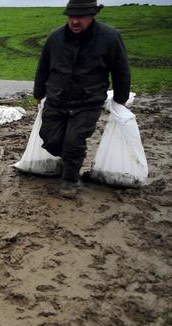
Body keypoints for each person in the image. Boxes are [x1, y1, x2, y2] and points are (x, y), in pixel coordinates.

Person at [33, 0, 131, 197]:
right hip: (57, 98)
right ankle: (69, 161)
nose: (75, 21)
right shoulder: (55, 38)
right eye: (72, 17)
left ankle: (70, 180)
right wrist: (39, 93)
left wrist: (121, 98)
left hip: (89, 101)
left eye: (81, 17)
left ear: (92, 15)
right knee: (50, 139)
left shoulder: (110, 38)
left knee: (74, 141)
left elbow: (121, 69)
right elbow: (43, 67)